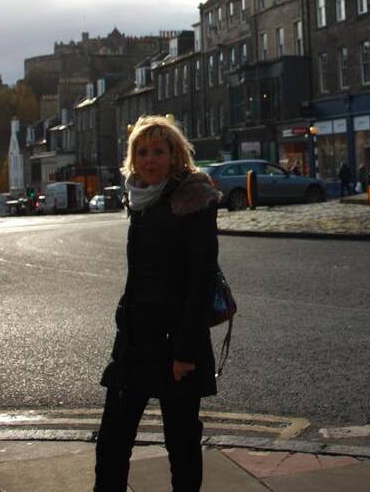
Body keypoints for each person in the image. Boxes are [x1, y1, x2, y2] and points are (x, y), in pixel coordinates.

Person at [94, 115, 222, 492]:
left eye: (158, 152)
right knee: (112, 441)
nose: (149, 160)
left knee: (181, 445)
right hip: (136, 342)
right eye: (142, 152)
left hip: (176, 343)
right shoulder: (141, 199)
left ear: (175, 155)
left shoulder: (192, 200)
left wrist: (186, 351)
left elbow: (201, 280)